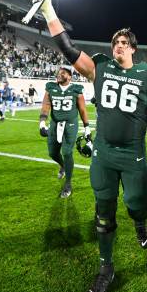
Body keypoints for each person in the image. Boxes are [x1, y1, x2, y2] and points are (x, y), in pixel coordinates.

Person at [35, 0, 147, 292]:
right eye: (115, 42)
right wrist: (49, 10)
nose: (118, 46)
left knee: (137, 206)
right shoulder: (100, 68)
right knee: (104, 215)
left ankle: (140, 224)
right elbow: (67, 47)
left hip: (134, 157)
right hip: (104, 154)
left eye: (124, 43)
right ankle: (106, 268)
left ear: (134, 49)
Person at [39, 66, 90, 198]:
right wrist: (42, 122)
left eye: (63, 73)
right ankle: (63, 166)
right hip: (55, 123)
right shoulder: (51, 87)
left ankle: (68, 184)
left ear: (70, 77)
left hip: (70, 124)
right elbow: (46, 105)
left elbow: (83, 109)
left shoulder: (76, 89)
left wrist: (87, 127)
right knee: (52, 153)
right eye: (59, 72)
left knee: (67, 152)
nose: (59, 74)